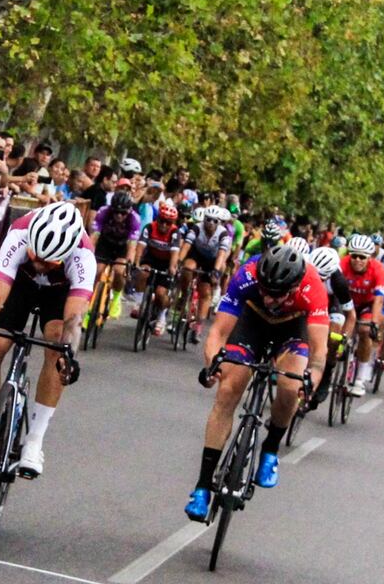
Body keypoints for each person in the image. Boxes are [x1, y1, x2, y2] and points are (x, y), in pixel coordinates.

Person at [184, 246, 328, 522]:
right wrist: (212, 365)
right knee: (227, 391)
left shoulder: (313, 286)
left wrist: (311, 379)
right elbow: (218, 332)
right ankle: (202, 486)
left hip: (292, 330)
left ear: (295, 286)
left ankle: (271, 448)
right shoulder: (247, 275)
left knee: (290, 387)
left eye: (279, 294)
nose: (270, 298)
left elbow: (319, 354)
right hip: (252, 324)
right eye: (266, 290)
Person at [0, 202, 93, 478]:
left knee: (57, 344)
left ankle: (34, 441)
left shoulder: (83, 257)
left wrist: (69, 354)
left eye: (49, 262)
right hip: (20, 285)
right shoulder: (20, 233)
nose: (40, 266)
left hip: (58, 295)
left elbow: (73, 318)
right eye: (35, 256)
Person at [306, 247, 356, 409]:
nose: (317, 280)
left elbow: (351, 316)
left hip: (332, 303)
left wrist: (343, 340)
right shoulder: (304, 268)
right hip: (310, 297)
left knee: (333, 336)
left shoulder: (338, 281)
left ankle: (327, 372)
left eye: (321, 278)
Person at [340, 234, 384, 397]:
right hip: (346, 304)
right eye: (354, 255)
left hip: (367, 305)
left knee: (364, 331)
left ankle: (360, 378)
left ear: (369, 258)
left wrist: (374, 323)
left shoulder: (379, 269)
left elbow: (379, 300)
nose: (357, 260)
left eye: (362, 257)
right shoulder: (342, 264)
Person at [177, 205, 233, 343]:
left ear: (219, 221)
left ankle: (198, 326)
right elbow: (186, 245)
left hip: (212, 260)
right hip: (196, 254)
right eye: (208, 219)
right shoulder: (197, 227)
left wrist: (216, 270)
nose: (211, 223)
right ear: (204, 219)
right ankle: (184, 294)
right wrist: (178, 261)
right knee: (187, 268)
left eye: (215, 221)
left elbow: (221, 255)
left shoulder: (223, 234)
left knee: (205, 292)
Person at [130, 202, 182, 334]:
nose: (164, 225)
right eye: (162, 221)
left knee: (160, 293)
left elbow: (175, 253)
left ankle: (161, 317)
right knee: (143, 272)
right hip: (151, 258)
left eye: (168, 222)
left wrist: (171, 268)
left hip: (166, 262)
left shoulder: (175, 232)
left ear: (172, 223)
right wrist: (136, 263)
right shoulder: (149, 227)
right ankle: (139, 301)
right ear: (157, 218)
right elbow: (140, 247)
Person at [90, 191, 140, 320]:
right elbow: (94, 237)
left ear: (128, 211)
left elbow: (132, 246)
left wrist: (128, 265)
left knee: (119, 271)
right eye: (116, 212)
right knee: (97, 271)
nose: (119, 215)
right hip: (105, 243)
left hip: (122, 247)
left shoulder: (134, 219)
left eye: (123, 213)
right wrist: (88, 253)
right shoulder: (103, 212)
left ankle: (116, 298)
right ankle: (90, 303)